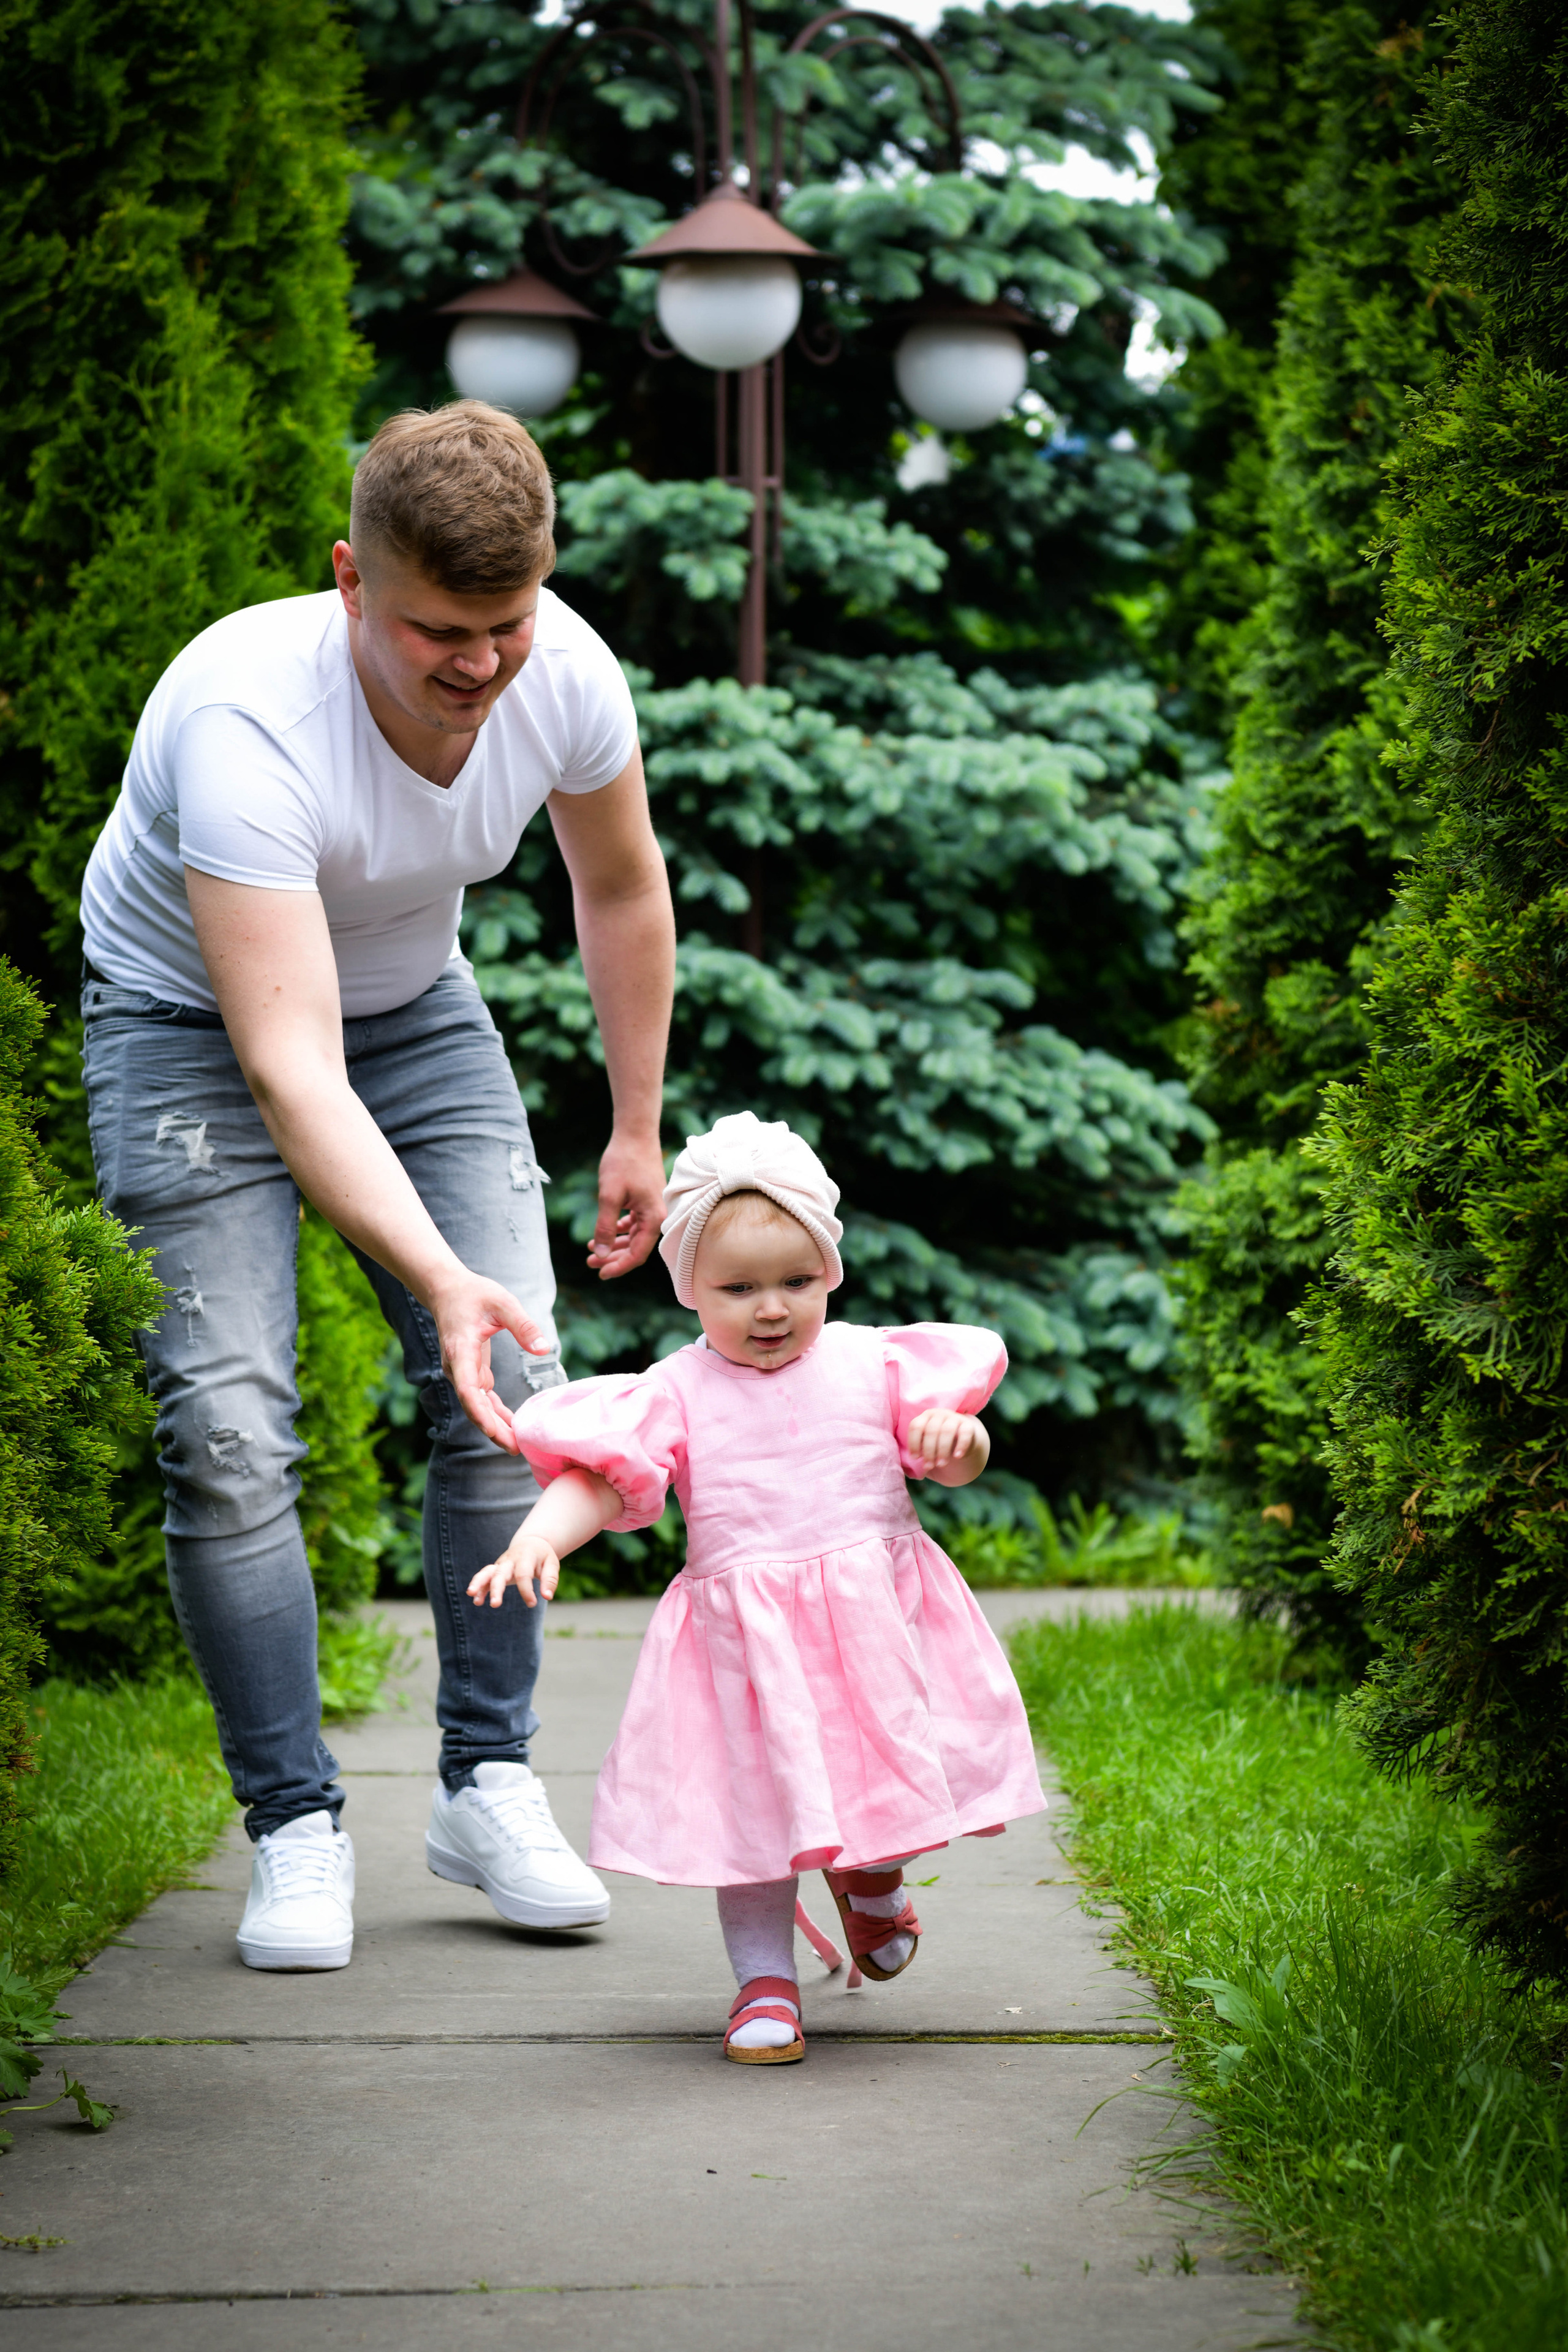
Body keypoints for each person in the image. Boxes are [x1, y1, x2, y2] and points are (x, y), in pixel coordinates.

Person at [78, 402, 676, 1972]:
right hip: (190, 1025)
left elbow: (615, 884)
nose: (477, 665)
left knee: (511, 1385)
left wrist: (634, 1125)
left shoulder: (568, 672)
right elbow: (289, 1071)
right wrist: (438, 1275)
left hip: (412, 1008)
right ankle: (292, 1823)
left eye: (506, 624)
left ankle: (483, 1782)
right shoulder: (245, 724)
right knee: (225, 1428)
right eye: (434, 632)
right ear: (350, 580)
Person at [467, 1110, 1047, 2064]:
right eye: (738, 1289)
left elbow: (949, 1456)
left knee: (878, 1769)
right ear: (690, 1285)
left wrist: (961, 1447)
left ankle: (871, 1882)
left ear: (830, 1271)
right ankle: (763, 1984)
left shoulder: (874, 1364)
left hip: (871, 1631)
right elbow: (602, 1477)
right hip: (745, 1648)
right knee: (754, 1816)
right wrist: (541, 1538)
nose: (770, 1309)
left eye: (796, 1282)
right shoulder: (678, 1391)